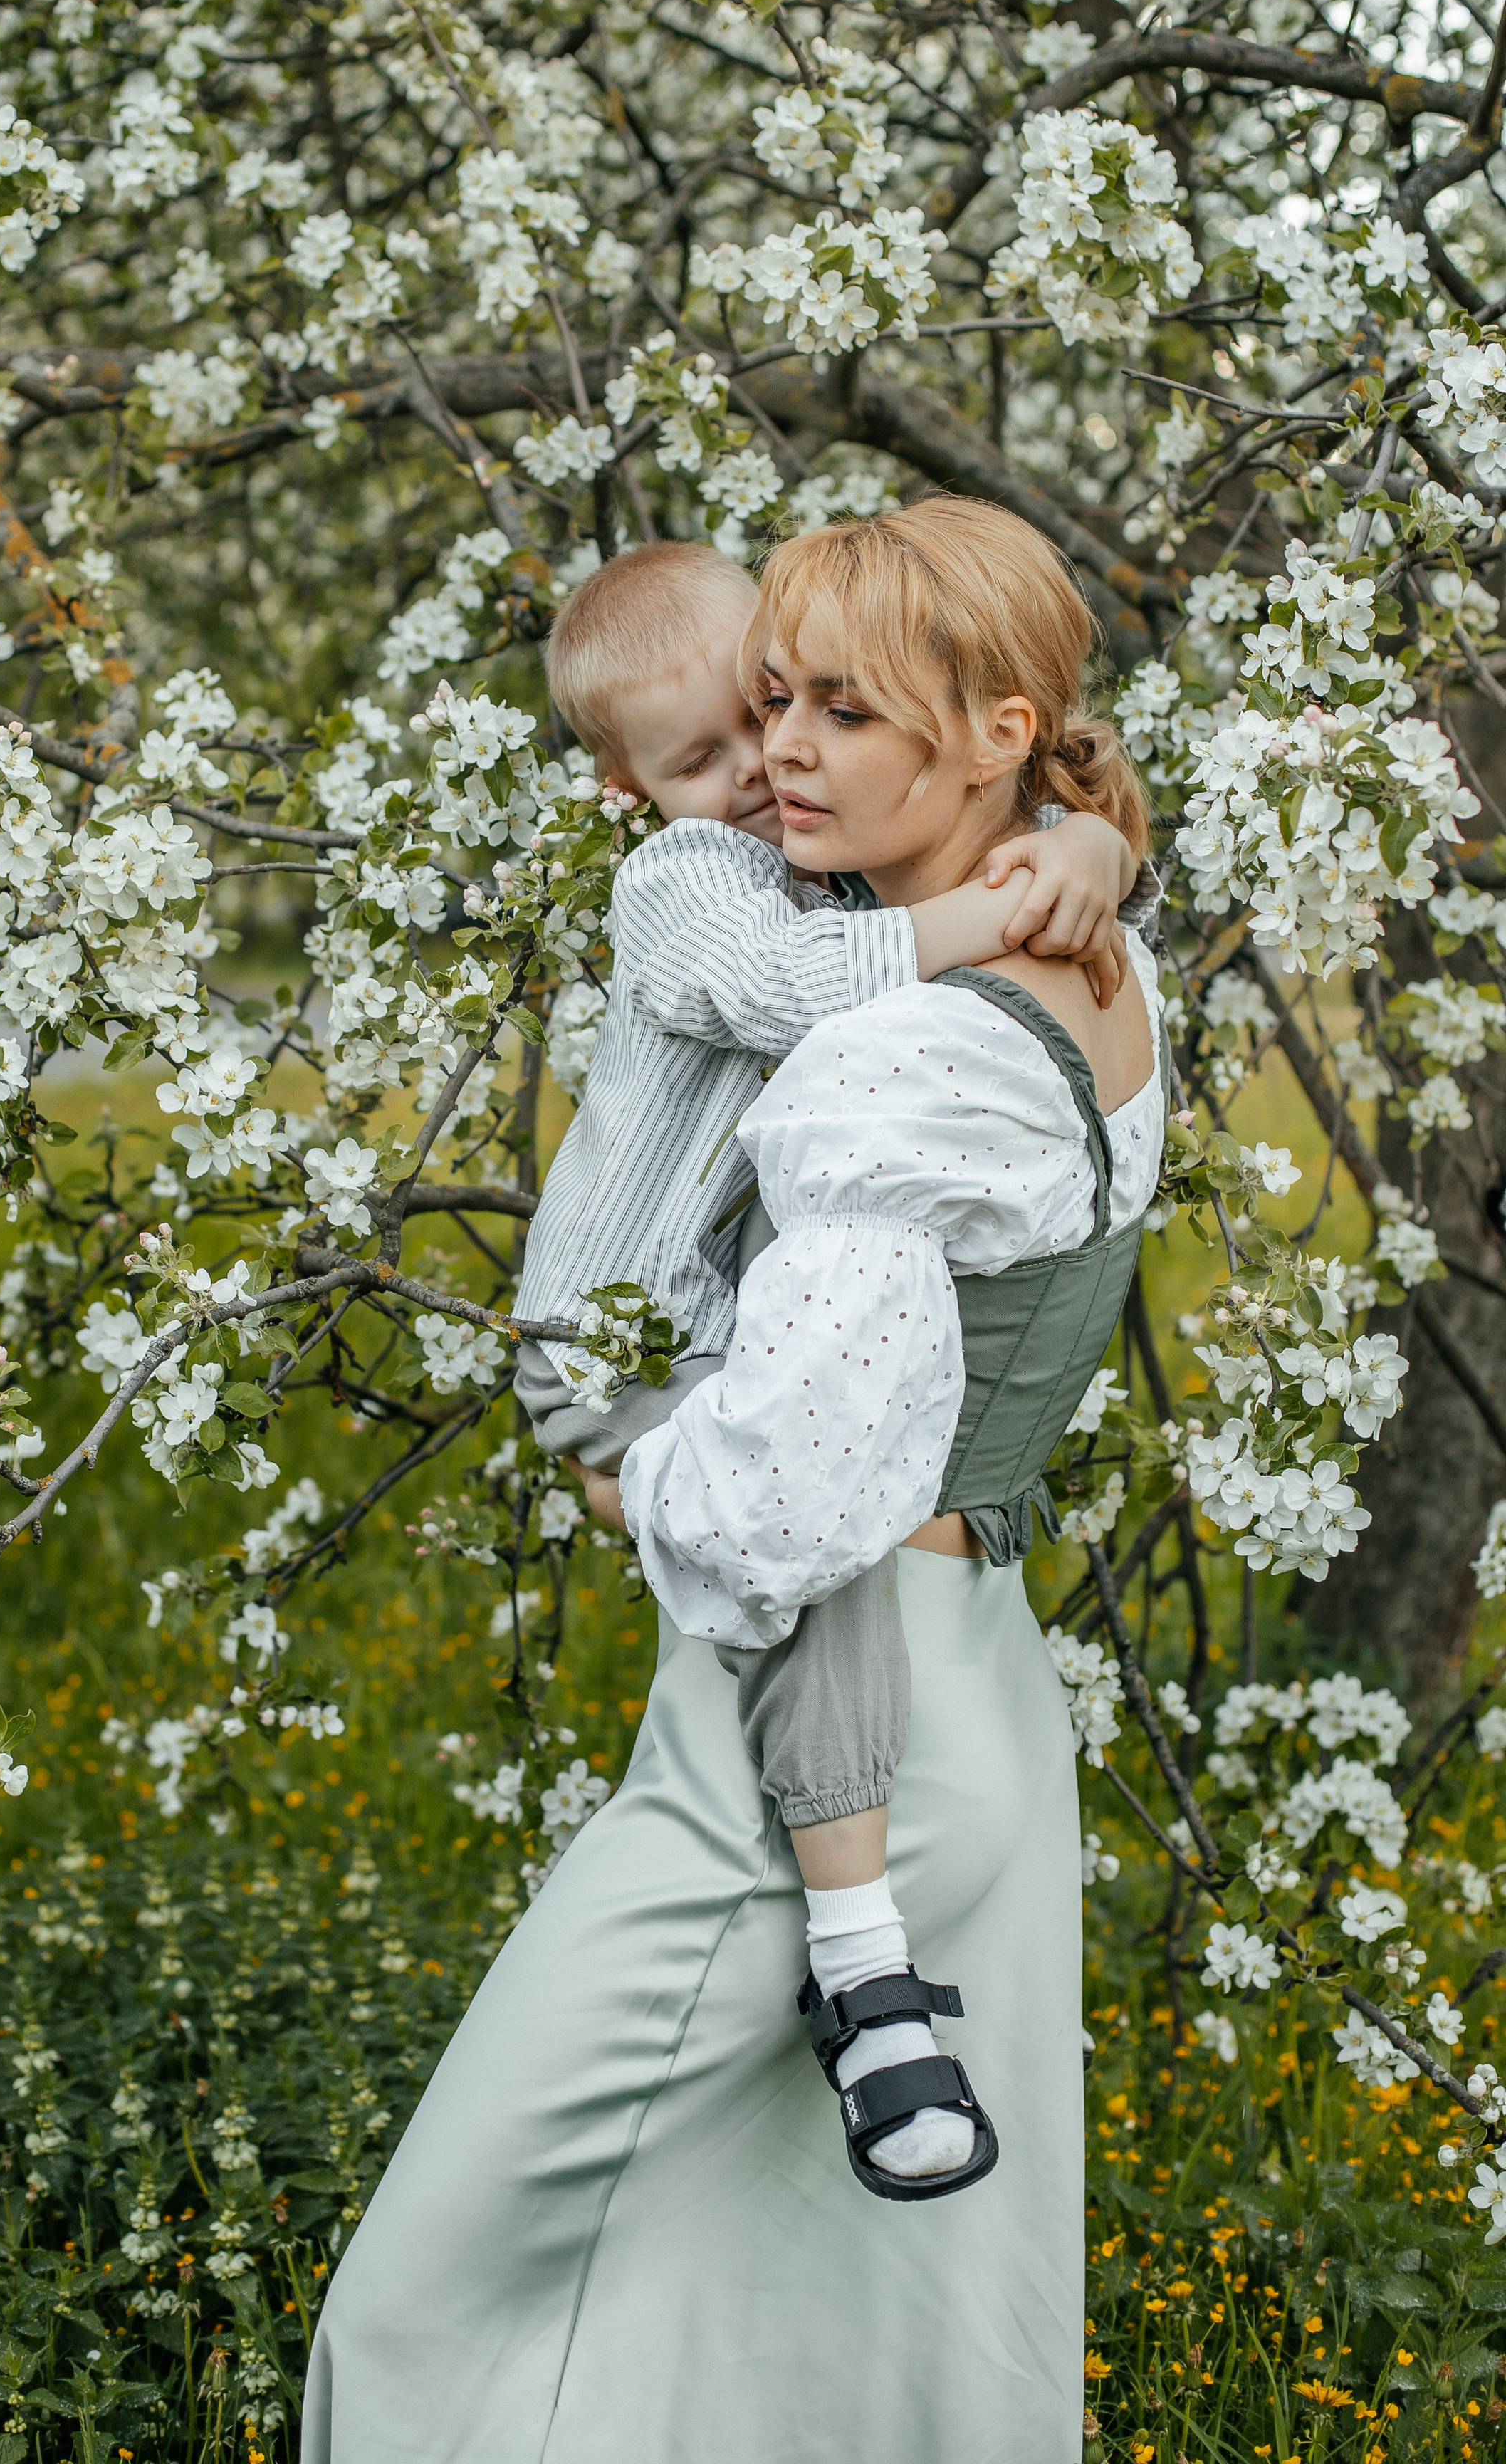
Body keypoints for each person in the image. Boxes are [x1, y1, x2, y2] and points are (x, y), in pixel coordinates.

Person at [303, 498, 1165, 2464]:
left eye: (841, 711)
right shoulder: (1097, 963)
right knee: (829, 2329)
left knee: (433, 2305)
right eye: (771, 701)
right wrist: (1084, 846)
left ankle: (861, 1981)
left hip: (803, 1745)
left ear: (994, 736)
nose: (782, 749)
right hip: (984, 1692)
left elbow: (775, 1517)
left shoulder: (894, 1064)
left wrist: (623, 1490)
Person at [516, 538, 1141, 2187]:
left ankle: (865, 1967)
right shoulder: (690, 887)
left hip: (732, 1342)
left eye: (786, 710)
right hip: (623, 1336)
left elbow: (1007, 793)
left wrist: (1081, 841)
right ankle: (863, 1968)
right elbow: (803, 984)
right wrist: (1018, 890)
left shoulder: (850, 869)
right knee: (823, 1573)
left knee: (824, 1560)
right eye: (708, 754)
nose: (761, 768)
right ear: (623, 788)